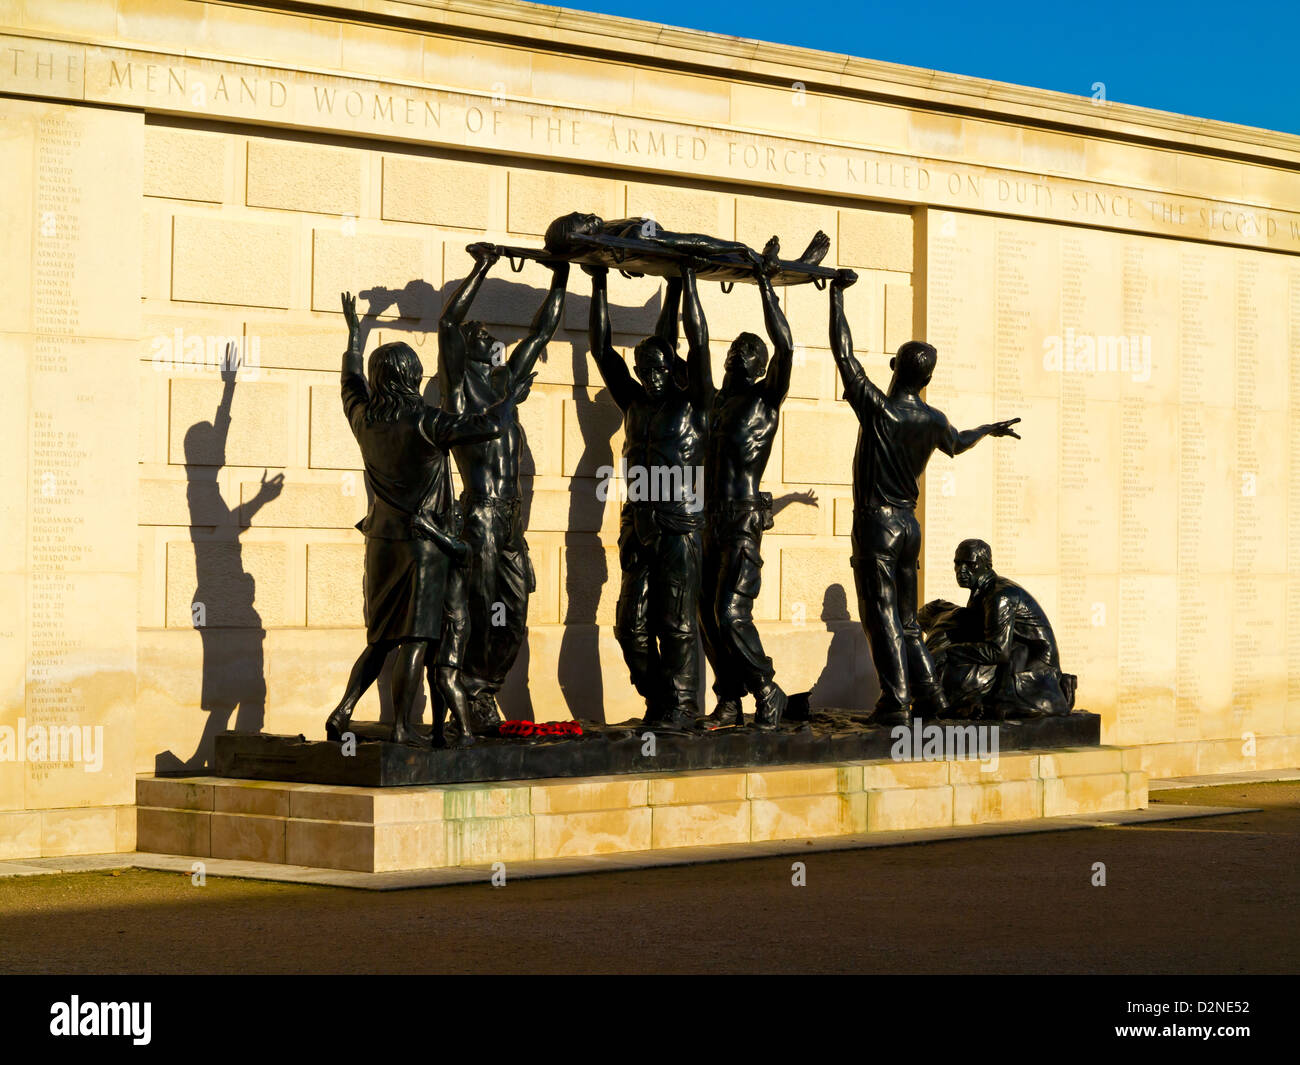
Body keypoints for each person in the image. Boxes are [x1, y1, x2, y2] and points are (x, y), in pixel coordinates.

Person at [324, 292, 531, 748]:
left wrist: (354, 341)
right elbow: (487, 428)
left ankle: (343, 711)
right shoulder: (426, 420)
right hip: (423, 546)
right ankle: (401, 727)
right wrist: (510, 397)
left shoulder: (364, 420)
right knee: (416, 640)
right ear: (410, 377)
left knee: (380, 639)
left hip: (380, 542)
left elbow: (350, 385)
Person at [828, 269, 1021, 727]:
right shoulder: (933, 420)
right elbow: (957, 442)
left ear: (895, 367)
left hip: (877, 525)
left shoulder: (879, 409)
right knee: (910, 621)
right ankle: (932, 698)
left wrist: (835, 296)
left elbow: (843, 353)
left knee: (882, 618)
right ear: (928, 378)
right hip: (910, 528)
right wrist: (988, 430)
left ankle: (895, 702)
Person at [435, 243, 569, 731]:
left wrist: (561, 275)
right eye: (478, 332)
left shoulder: (506, 383)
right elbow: (448, 324)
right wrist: (484, 266)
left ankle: (484, 690)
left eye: (485, 332)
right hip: (480, 514)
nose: (483, 333)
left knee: (512, 613)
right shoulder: (458, 389)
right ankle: (466, 697)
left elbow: (542, 330)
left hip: (511, 519)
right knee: (478, 608)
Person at [586, 263, 710, 728]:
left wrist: (688, 282)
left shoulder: (696, 405)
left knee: (676, 624)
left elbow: (698, 345)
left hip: (679, 525)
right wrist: (596, 279)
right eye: (643, 369)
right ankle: (661, 699)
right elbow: (600, 348)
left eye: (658, 368)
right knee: (629, 627)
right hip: (637, 525)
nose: (650, 376)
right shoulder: (634, 401)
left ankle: (681, 707)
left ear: (672, 368)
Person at [680, 261, 799, 729]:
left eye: (745, 351)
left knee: (730, 613)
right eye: (733, 349)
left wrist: (765, 282)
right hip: (709, 518)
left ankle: (767, 688)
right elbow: (696, 338)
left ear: (758, 365)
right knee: (707, 616)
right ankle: (729, 699)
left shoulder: (765, 400)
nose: (734, 354)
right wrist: (686, 278)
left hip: (744, 518)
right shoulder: (712, 401)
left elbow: (786, 343)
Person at [919, 539, 1075, 719]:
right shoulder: (980, 592)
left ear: (986, 565)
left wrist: (948, 652)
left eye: (970, 564)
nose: (961, 571)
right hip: (1011, 656)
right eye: (957, 563)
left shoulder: (998, 596)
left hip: (1030, 664)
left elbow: (997, 651)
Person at [545, 212, 830, 271]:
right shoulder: (628, 238)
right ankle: (784, 261)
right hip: (686, 249)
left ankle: (769, 258)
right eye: (582, 217)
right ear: (577, 234)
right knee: (728, 255)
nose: (590, 214)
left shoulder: (609, 235)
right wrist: (739, 247)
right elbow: (693, 241)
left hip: (644, 238)